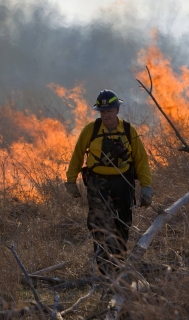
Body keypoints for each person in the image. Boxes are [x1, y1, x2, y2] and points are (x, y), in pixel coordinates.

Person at [64, 89, 153, 275]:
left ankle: (120, 262)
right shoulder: (91, 130)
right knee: (99, 223)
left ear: (117, 110)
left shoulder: (129, 131)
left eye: (109, 111)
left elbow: (141, 160)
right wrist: (70, 181)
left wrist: (146, 187)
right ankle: (105, 268)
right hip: (98, 183)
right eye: (102, 111)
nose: (106, 115)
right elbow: (78, 154)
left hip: (123, 183)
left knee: (123, 223)